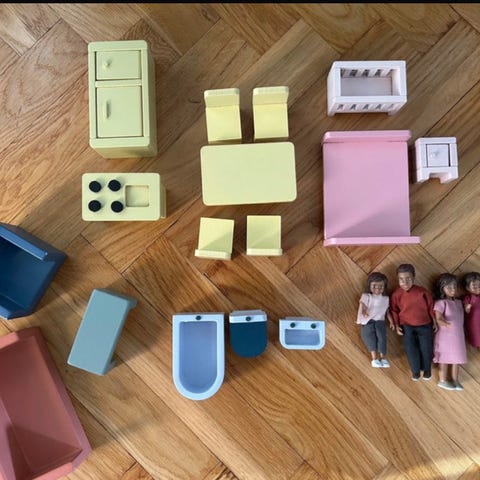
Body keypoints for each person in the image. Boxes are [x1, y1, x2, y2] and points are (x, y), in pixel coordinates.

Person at [390, 263, 437, 381]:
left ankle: (427, 369)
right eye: (401, 279)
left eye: (408, 279)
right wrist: (396, 324)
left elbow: (431, 306)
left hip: (425, 324)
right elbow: (394, 310)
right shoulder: (396, 294)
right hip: (407, 327)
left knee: (426, 348)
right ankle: (415, 371)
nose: (404, 282)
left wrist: (434, 321)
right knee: (410, 349)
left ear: (414, 277)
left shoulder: (422, 292)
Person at [433, 273, 467, 391]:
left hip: (458, 335)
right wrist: (446, 324)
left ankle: (455, 380)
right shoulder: (441, 303)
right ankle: (443, 380)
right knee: (444, 357)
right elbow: (438, 318)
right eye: (449, 287)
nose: (453, 289)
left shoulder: (459, 303)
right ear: (442, 288)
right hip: (445, 336)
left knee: (456, 358)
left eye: (454, 286)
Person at [356, 272, 394, 368]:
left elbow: (387, 311)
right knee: (369, 338)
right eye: (374, 286)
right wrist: (364, 311)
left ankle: (383, 358)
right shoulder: (367, 296)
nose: (377, 289)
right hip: (368, 321)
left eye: (380, 286)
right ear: (369, 285)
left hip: (380, 321)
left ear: (384, 287)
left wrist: (391, 322)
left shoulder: (385, 299)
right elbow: (362, 304)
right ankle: (374, 358)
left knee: (382, 338)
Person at [462, 272, 480, 348]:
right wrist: (467, 307)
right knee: (476, 335)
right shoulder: (468, 298)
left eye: (479, 285)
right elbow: (466, 309)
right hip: (474, 322)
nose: (477, 288)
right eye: (474, 286)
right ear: (467, 287)